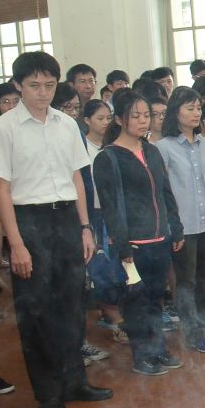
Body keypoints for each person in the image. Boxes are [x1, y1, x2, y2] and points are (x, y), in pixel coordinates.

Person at [0, 51, 112, 408]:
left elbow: (77, 177)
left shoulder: (64, 123)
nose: (42, 93)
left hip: (67, 220)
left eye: (49, 85)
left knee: (72, 307)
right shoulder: (4, 128)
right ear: (17, 86)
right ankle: (48, 393)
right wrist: (17, 244)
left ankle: (75, 381)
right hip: (28, 223)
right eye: (34, 85)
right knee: (37, 312)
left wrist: (86, 227)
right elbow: (0, 189)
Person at [92, 91, 184, 376]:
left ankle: (158, 349)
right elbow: (110, 208)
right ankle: (142, 355)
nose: (144, 121)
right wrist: (124, 248)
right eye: (136, 116)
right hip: (132, 244)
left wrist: (175, 226)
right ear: (119, 119)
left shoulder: (152, 150)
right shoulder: (108, 158)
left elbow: (165, 191)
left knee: (156, 299)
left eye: (147, 115)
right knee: (135, 303)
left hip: (159, 238)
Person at [155, 87, 205, 353]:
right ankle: (193, 332)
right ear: (176, 112)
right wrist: (172, 227)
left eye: (198, 108)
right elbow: (163, 191)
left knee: (204, 278)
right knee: (186, 282)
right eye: (190, 108)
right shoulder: (163, 147)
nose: (197, 113)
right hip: (183, 224)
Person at [79, 99, 126, 345]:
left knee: (119, 266)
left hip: (115, 213)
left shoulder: (115, 146)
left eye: (109, 117)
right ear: (86, 120)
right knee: (100, 268)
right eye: (100, 118)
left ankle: (117, 313)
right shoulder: (81, 147)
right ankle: (112, 317)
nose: (106, 122)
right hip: (92, 214)